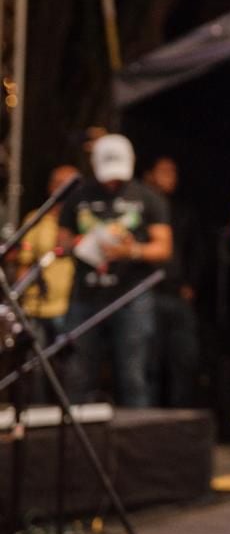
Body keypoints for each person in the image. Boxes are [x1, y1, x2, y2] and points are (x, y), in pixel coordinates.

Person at [58, 134, 172, 406]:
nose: (112, 181)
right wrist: (85, 243)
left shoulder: (148, 198)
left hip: (131, 297)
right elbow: (60, 243)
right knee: (78, 373)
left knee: (133, 373)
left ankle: (138, 441)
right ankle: (76, 441)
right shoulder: (78, 196)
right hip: (85, 295)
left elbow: (164, 248)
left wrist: (131, 250)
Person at [7, 164, 79, 404]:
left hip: (70, 307)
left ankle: (69, 415)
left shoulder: (81, 219)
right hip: (36, 306)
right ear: (51, 187)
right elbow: (23, 261)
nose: (64, 189)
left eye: (70, 184)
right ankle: (38, 417)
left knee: (68, 369)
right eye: (59, 183)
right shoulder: (36, 219)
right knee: (34, 368)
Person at [142, 155, 203, 407]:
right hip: (148, 293)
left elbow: (197, 251)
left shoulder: (183, 212)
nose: (170, 178)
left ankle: (182, 414)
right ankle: (149, 416)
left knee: (184, 357)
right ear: (150, 175)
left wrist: (191, 284)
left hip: (177, 293)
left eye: (173, 172)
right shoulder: (142, 208)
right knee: (149, 361)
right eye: (163, 172)